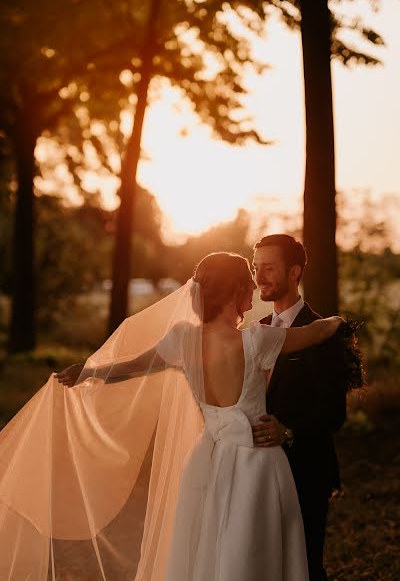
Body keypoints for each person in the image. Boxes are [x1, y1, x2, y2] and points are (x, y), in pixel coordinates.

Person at [51, 252, 343, 581]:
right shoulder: (256, 340)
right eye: (248, 285)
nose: (253, 291)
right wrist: (338, 322)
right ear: (236, 293)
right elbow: (316, 333)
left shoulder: (182, 340)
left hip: (208, 460)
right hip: (257, 465)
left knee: (208, 549)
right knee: (252, 553)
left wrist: (88, 371)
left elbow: (132, 366)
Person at [251, 235, 347, 581]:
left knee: (303, 566)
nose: (259, 277)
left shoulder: (324, 333)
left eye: (269, 268)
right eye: (256, 268)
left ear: (294, 272)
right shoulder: (257, 331)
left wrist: (288, 430)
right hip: (258, 470)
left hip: (306, 469)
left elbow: (334, 412)